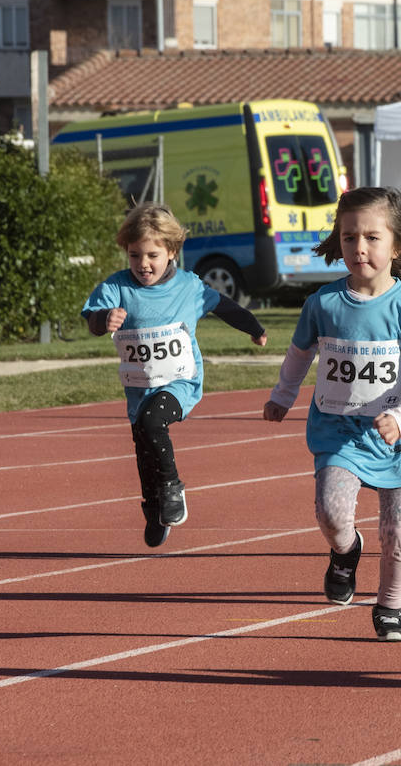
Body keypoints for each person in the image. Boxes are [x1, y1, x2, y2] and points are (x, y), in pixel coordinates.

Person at [262, 187, 401, 642]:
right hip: (338, 431)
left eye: (371, 237)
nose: (359, 248)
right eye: (348, 238)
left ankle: (389, 608)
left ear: (396, 245)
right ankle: (345, 553)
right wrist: (283, 394)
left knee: (399, 531)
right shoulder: (322, 304)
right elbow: (299, 353)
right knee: (330, 513)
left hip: (397, 438)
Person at [82, 203, 268, 549]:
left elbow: (224, 306)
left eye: (152, 255)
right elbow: (92, 316)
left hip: (181, 383)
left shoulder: (189, 287)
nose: (143, 264)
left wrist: (254, 328)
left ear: (171, 251)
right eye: (134, 255)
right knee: (143, 446)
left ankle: (172, 487)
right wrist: (103, 319)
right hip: (140, 387)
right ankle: (152, 509)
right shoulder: (118, 288)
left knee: (154, 423)